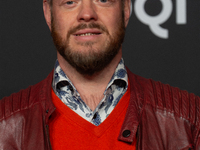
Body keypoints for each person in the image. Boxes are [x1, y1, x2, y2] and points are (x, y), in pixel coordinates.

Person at [0, 0, 199, 149]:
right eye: (70, 1)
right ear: (48, 13)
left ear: (126, 10)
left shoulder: (190, 120)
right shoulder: (4, 126)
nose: (87, 14)